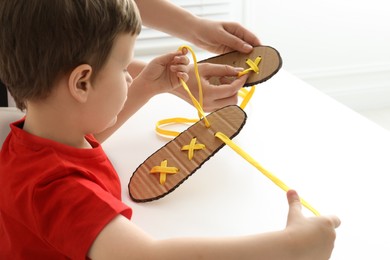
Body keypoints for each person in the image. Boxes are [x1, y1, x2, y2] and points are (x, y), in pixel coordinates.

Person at [0, 0, 340, 259]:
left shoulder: (30, 141)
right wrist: (291, 246)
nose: (130, 75)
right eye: (122, 68)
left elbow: (86, 139)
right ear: (82, 82)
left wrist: (149, 86)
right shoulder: (59, 192)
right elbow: (150, 257)